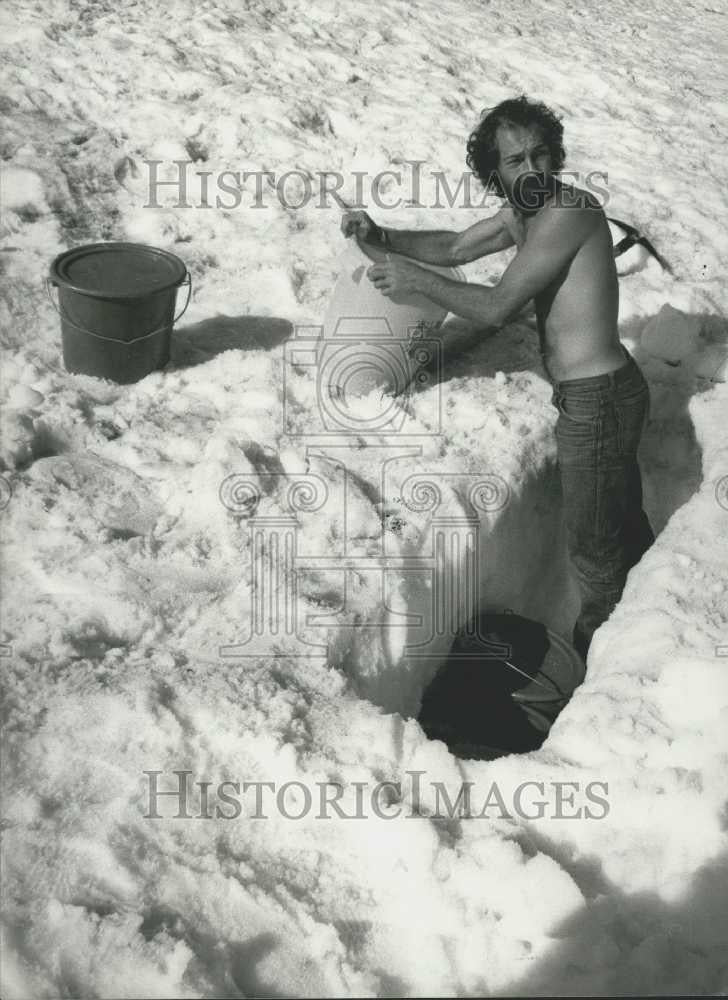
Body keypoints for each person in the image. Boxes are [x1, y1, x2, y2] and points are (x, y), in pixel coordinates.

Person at [340, 95, 655, 661]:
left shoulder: (565, 214)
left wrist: (418, 279)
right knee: (620, 525)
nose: (531, 170)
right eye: (515, 161)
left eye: (540, 155)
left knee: (594, 553)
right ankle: (650, 619)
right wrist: (384, 236)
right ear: (497, 173)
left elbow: (496, 307)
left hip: (598, 402)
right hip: (599, 396)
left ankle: (613, 668)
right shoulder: (524, 212)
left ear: (555, 157)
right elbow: (457, 246)